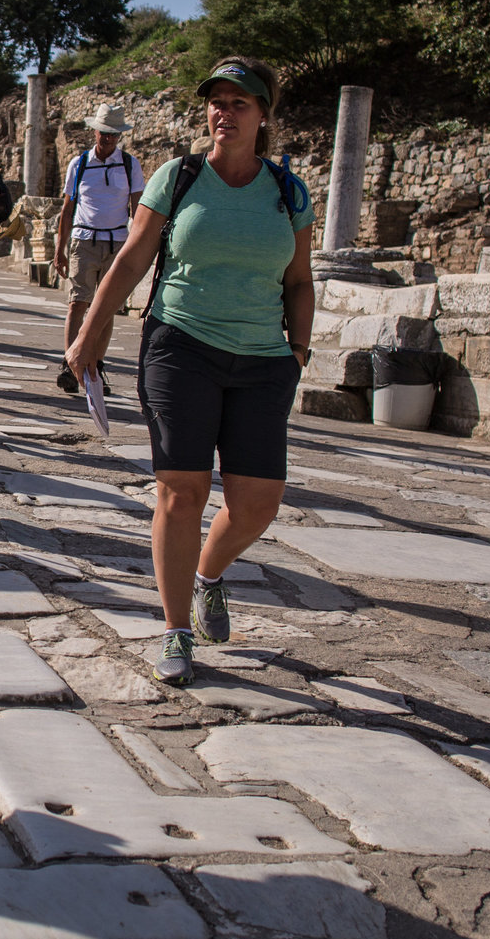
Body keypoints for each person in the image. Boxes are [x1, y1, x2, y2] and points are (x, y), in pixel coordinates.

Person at [64, 57, 314, 686]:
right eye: (216, 102)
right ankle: (176, 630)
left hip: (262, 358)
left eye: (238, 104)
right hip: (182, 345)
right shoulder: (179, 178)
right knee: (183, 490)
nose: (223, 113)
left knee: (258, 502)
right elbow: (129, 260)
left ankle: (209, 574)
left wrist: (300, 350)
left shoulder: (288, 191)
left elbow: (300, 279)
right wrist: (93, 331)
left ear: (263, 116)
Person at [53, 103, 146, 394]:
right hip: (84, 240)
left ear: (119, 135)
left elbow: (138, 211)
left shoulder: (129, 165)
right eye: (103, 132)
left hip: (117, 242)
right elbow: (67, 209)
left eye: (113, 134)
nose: (107, 138)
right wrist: (60, 248)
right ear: (95, 130)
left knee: (105, 308)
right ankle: (70, 365)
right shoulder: (79, 164)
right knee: (77, 303)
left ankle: (96, 367)